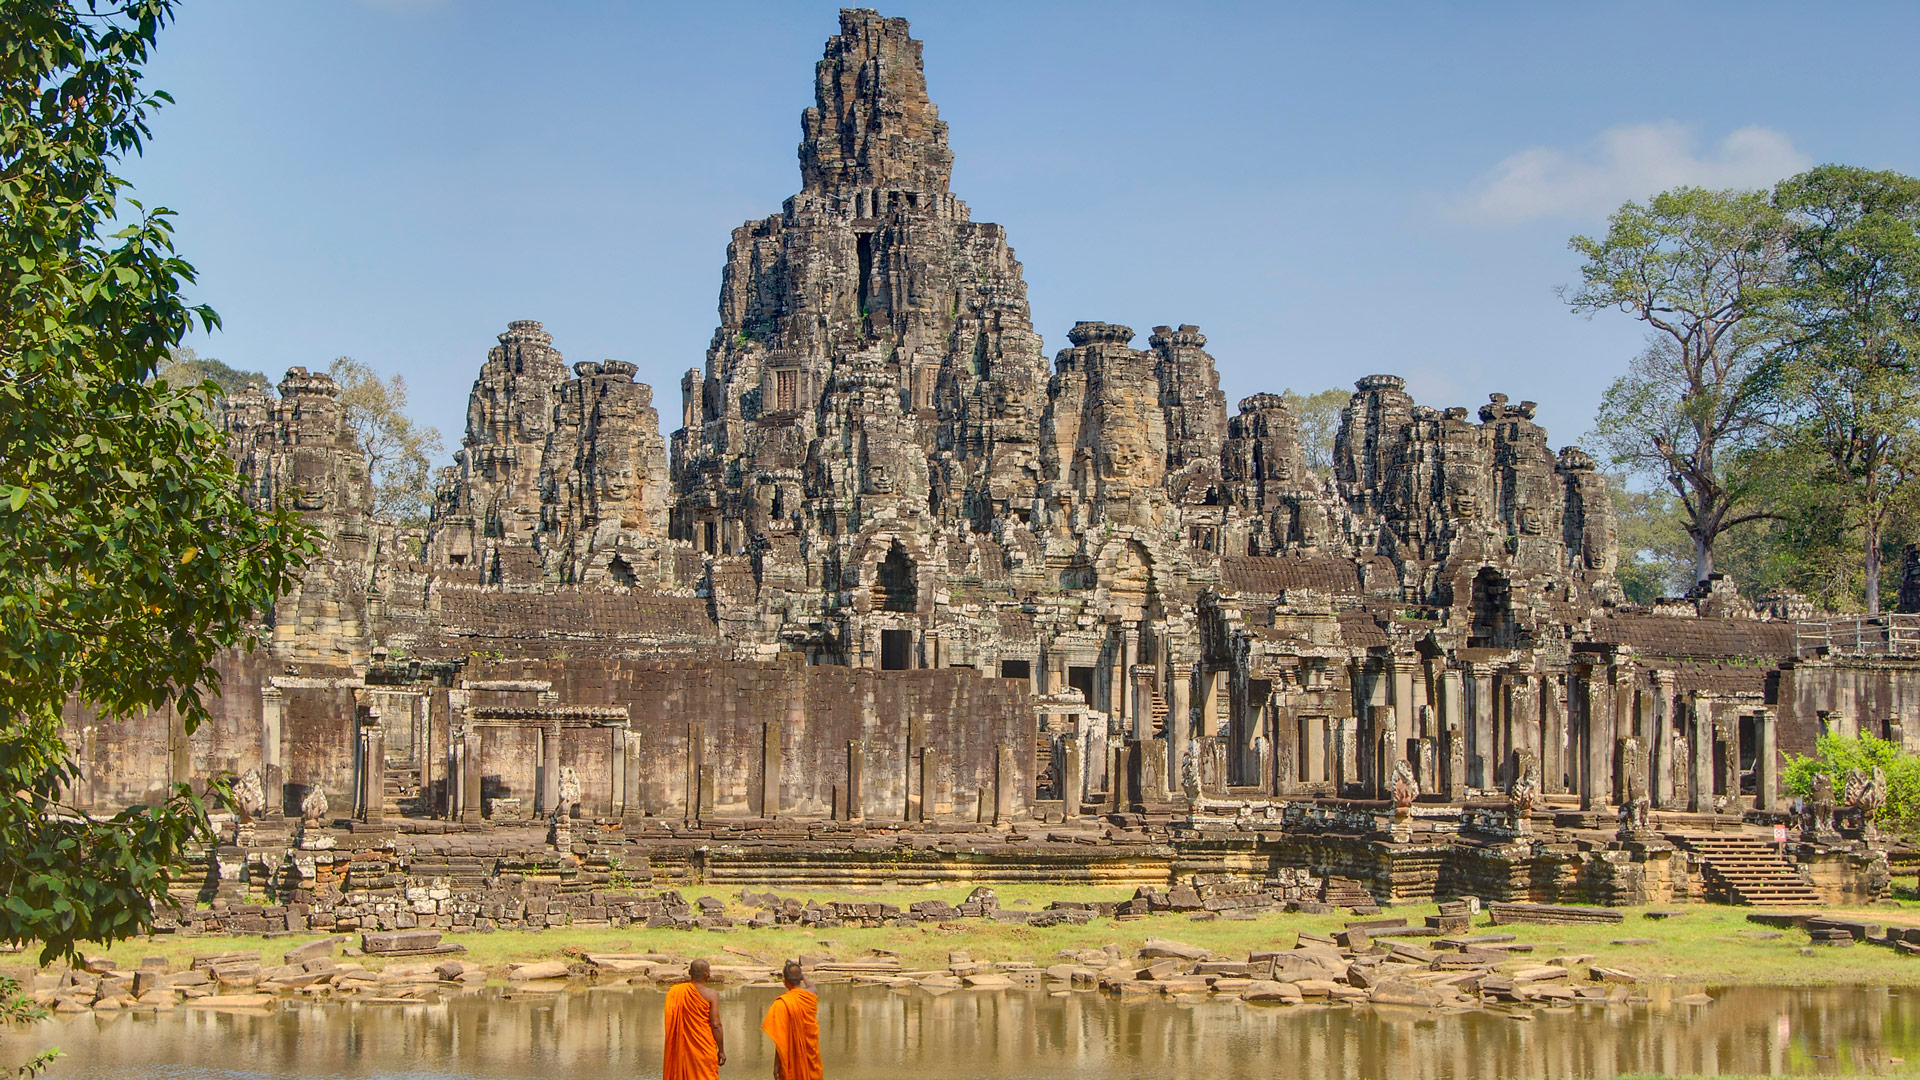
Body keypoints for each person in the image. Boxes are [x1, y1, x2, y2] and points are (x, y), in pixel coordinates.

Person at [663, 959, 725, 1080]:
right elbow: (716, 1025)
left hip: (682, 1051)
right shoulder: (711, 995)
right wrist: (721, 1050)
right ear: (708, 974)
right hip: (704, 1049)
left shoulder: (676, 992)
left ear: (689, 972)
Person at [760, 960, 821, 1080]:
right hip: (811, 1059)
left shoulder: (782, 1004)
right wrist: (803, 976)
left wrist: (776, 1064)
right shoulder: (811, 995)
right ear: (800, 978)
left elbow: (780, 1039)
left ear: (785, 981)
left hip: (791, 1059)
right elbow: (812, 986)